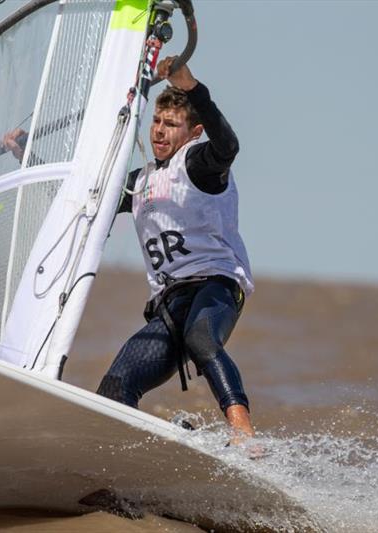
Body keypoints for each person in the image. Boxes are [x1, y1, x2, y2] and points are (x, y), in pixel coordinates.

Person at [94, 56, 256, 445]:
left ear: (193, 131)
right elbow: (85, 198)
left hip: (215, 286)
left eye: (171, 124)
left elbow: (228, 145)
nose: (159, 132)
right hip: (170, 305)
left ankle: (245, 437)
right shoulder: (139, 182)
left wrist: (193, 89)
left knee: (202, 341)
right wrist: (24, 154)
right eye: (156, 121)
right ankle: (125, 469)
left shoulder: (198, 164)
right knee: (115, 387)